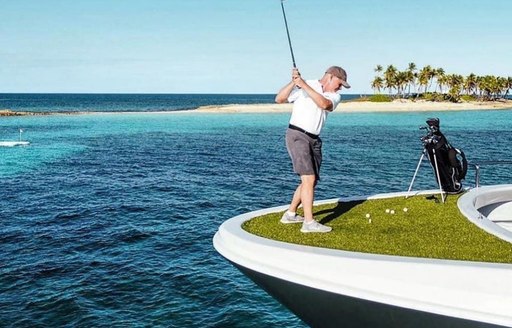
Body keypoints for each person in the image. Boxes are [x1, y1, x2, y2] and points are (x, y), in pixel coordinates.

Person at [275, 66, 350, 233]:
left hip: (314, 139)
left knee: (312, 180)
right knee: (308, 179)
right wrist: (293, 82)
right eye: (339, 83)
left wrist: (303, 85)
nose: (340, 88)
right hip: (297, 135)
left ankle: (290, 214)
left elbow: (324, 104)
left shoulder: (334, 96)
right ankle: (309, 223)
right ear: (330, 77)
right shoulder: (306, 84)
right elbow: (279, 99)